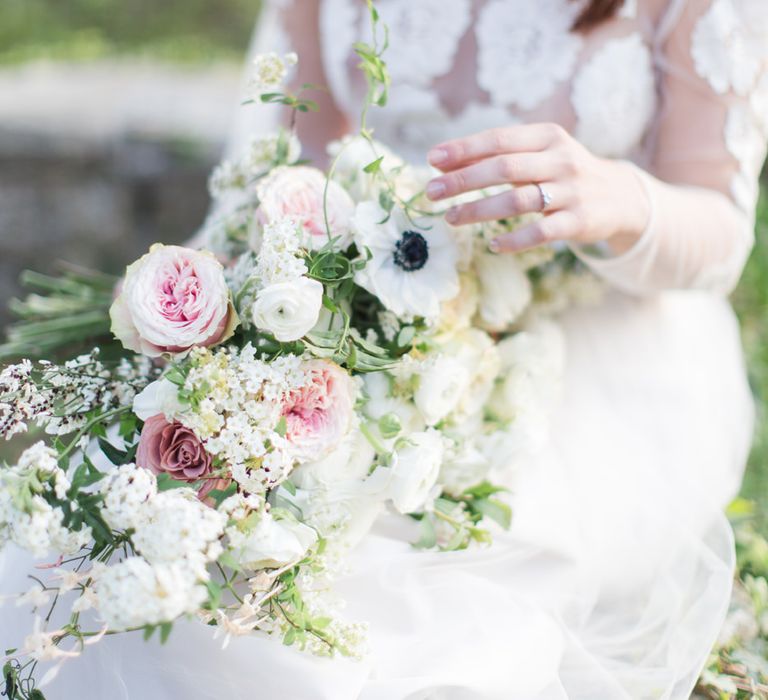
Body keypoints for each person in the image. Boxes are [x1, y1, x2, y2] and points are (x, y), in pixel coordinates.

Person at [1, 1, 764, 697]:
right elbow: (301, 156)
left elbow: (720, 233)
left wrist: (623, 200)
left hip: (589, 354)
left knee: (400, 608)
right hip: (356, 317)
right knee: (153, 537)